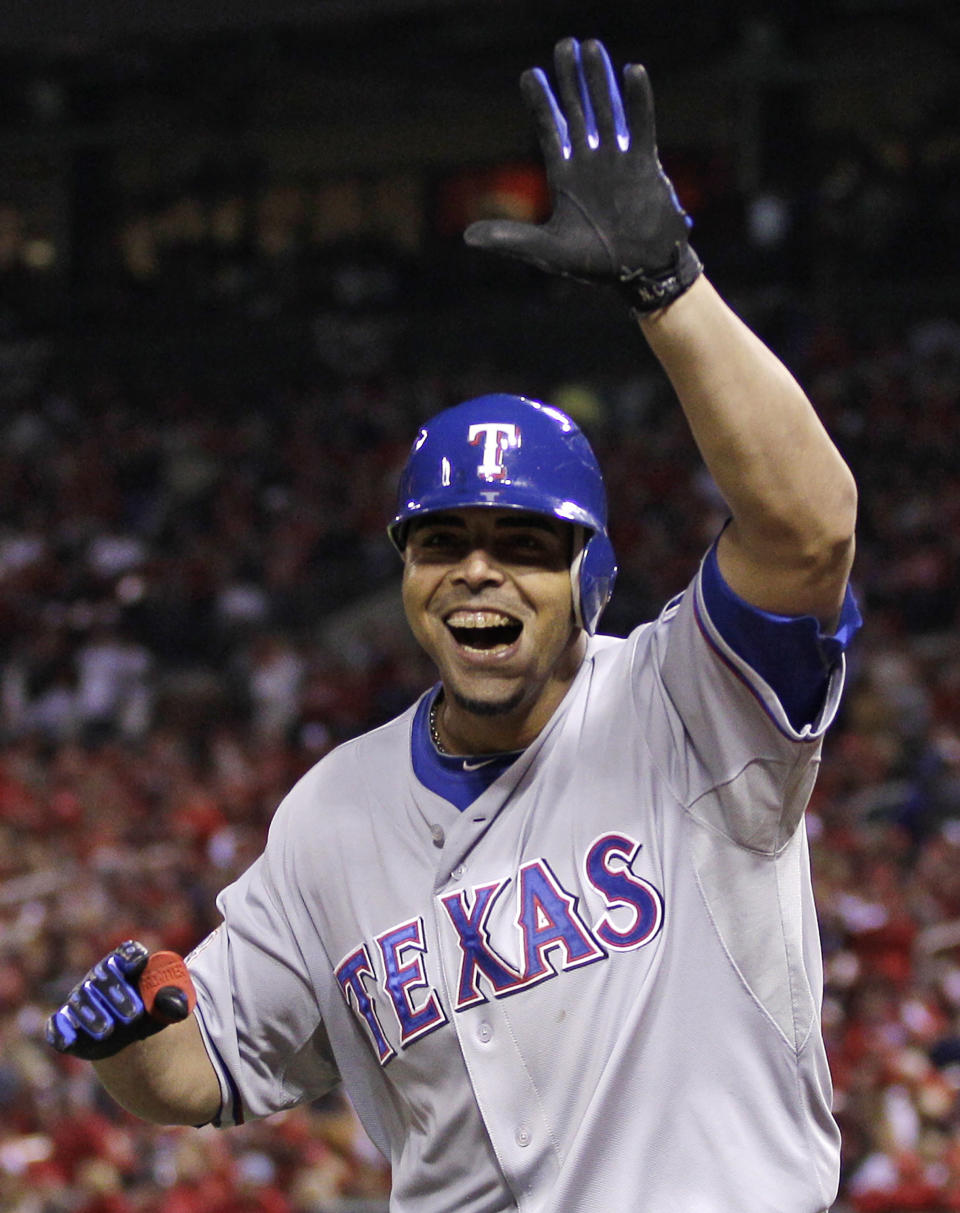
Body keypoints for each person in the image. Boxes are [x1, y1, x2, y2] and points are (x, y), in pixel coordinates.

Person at [46, 37, 860, 1212]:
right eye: (444, 542)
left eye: (528, 543)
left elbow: (811, 530)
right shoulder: (333, 810)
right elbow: (204, 1069)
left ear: (594, 575)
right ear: (407, 574)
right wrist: (131, 1033)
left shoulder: (689, 701)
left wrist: (668, 284)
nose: (479, 571)